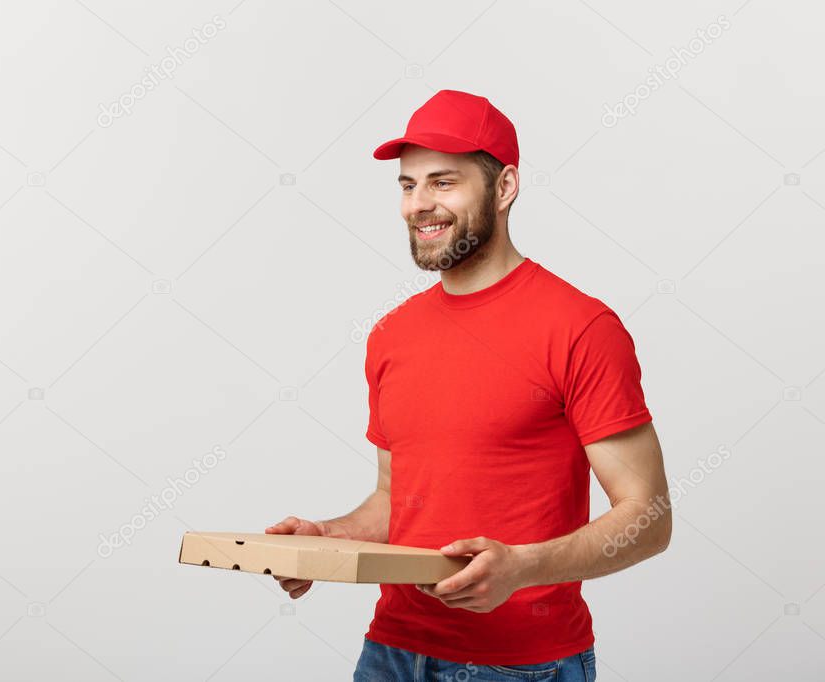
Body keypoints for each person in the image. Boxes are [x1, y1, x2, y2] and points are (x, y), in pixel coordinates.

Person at [266, 89, 671, 681]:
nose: (419, 205)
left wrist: (521, 567)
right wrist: (328, 537)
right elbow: (394, 500)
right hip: (391, 654)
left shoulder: (581, 328)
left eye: (443, 182)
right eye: (408, 185)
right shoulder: (391, 336)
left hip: (518, 667)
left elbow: (648, 518)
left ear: (504, 187)